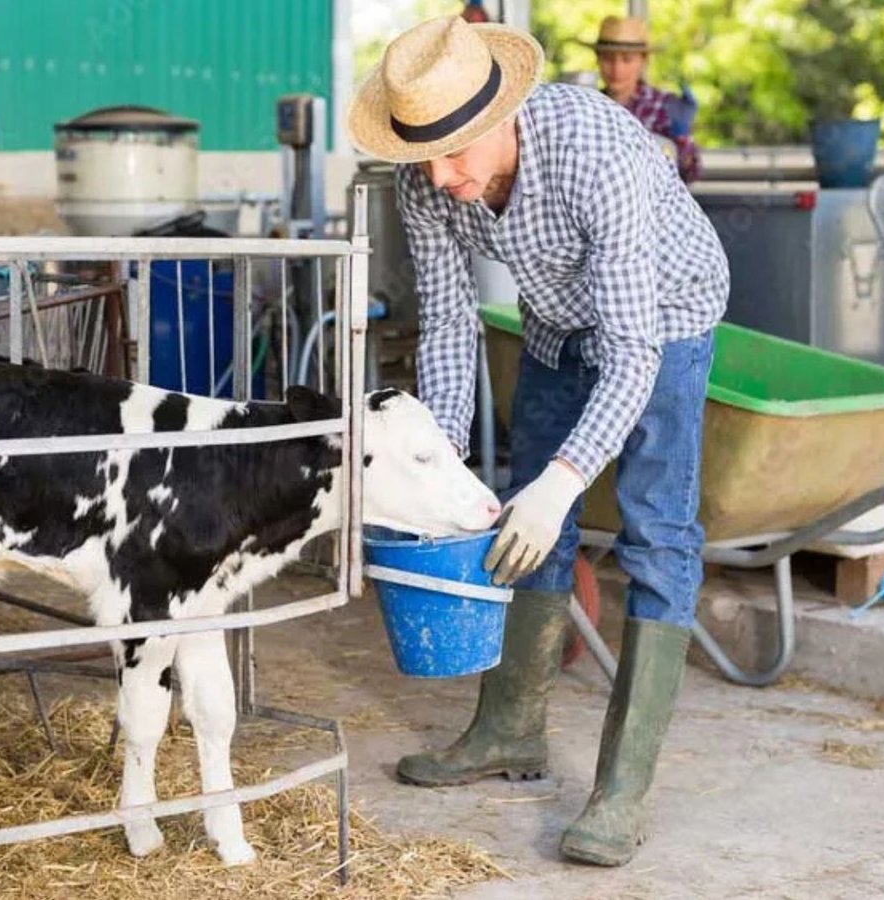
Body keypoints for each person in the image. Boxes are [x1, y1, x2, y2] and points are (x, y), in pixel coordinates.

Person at [346, 16, 729, 866]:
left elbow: (631, 351)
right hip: (557, 322)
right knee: (522, 511)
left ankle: (621, 789)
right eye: (424, 155)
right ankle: (508, 729)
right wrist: (438, 473)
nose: (440, 177)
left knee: (655, 528)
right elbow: (447, 327)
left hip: (662, 320)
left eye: (454, 154)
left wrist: (567, 480)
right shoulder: (429, 180)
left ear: (501, 116)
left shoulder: (601, 153)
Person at [589, 15, 702, 184]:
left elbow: (691, 174)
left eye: (627, 59)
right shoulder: (588, 108)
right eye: (608, 58)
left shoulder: (666, 107)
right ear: (597, 59)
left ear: (644, 60)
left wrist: (682, 138)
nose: (616, 68)